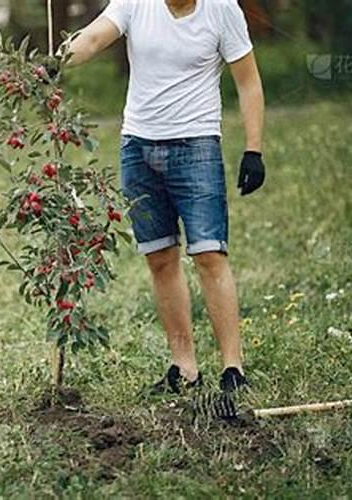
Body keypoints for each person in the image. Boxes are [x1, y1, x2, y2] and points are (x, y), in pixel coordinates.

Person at [65, 0, 266, 394]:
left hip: (196, 146)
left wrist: (253, 149)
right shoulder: (134, 2)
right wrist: (55, 62)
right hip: (138, 148)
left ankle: (232, 368)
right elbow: (91, 39)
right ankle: (184, 366)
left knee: (209, 255)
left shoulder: (222, 9)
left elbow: (248, 81)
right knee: (160, 258)